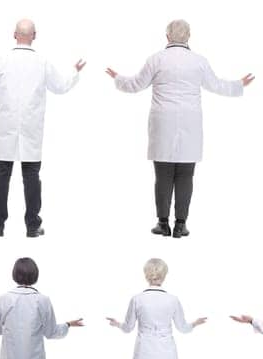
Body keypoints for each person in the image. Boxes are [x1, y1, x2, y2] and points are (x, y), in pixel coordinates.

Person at [107, 19, 252, 238]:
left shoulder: (156, 59)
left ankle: (163, 223)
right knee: (186, 175)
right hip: (189, 123)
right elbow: (217, 85)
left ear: (167, 36)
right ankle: (181, 225)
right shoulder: (198, 61)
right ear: (189, 37)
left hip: (162, 122)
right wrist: (239, 84)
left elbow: (135, 84)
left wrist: (117, 78)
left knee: (163, 175)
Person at [0, 19, 83, 237]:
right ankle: (33, 226)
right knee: (32, 177)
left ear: (14, 34)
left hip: (5, 130)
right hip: (31, 130)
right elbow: (61, 87)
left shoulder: (3, 60)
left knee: (1, 177)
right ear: (34, 35)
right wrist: (74, 72)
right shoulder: (42, 62)